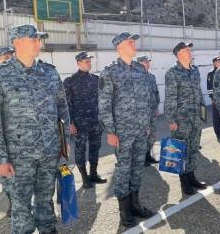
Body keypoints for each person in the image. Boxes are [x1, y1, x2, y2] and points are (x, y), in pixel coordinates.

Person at [0, 24, 70, 233]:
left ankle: (48, 229)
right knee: (20, 205)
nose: (39, 43)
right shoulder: (0, 76)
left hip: (49, 151)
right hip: (19, 156)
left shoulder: (49, 72)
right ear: (17, 42)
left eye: (39, 39)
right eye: (33, 39)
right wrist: (0, 158)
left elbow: (62, 108)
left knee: (46, 199)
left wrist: (64, 145)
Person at [98, 32, 155, 228]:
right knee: (123, 170)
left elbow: (147, 99)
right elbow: (104, 104)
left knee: (137, 168)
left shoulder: (140, 69)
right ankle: (124, 211)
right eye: (130, 42)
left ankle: (135, 204)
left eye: (134, 42)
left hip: (140, 129)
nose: (134, 44)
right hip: (122, 132)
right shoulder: (110, 72)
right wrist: (110, 131)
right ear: (119, 46)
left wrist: (147, 124)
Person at [164, 42, 207, 195]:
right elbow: (170, 98)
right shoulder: (172, 73)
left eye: (190, 49)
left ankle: (192, 177)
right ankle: (184, 183)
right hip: (181, 120)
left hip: (195, 118)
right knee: (182, 151)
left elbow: (199, 94)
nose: (189, 52)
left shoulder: (195, 71)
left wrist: (203, 113)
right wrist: (170, 120)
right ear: (178, 54)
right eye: (186, 50)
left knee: (193, 149)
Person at [63, 52, 106, 189]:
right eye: (86, 61)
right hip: (79, 124)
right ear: (78, 63)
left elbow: (102, 100)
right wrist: (70, 123)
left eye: (89, 61)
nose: (89, 63)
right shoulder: (70, 81)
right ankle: (84, 178)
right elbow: (66, 104)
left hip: (95, 122)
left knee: (95, 148)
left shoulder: (96, 79)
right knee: (80, 150)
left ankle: (93, 174)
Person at [0, 46, 15, 217]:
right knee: (7, 179)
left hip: (21, 141)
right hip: (1, 140)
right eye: (4, 57)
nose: (7, 59)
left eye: (10, 56)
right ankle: (12, 204)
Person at [137, 56, 160, 166]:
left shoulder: (151, 77)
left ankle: (147, 155)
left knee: (152, 135)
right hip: (141, 114)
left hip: (151, 112)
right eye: (145, 62)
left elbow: (156, 92)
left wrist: (156, 107)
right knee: (142, 135)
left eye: (148, 62)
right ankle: (141, 158)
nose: (148, 63)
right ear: (140, 63)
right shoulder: (135, 77)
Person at [207, 56, 220, 139]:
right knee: (216, 116)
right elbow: (209, 87)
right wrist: (212, 98)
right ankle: (218, 132)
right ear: (214, 63)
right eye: (218, 61)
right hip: (216, 99)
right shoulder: (211, 73)